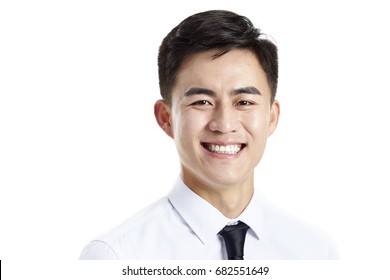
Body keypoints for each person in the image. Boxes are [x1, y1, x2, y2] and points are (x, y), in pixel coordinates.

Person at [80, 10, 338, 260]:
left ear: (272, 117)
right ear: (166, 118)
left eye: (244, 102)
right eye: (202, 102)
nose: (225, 124)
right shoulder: (118, 256)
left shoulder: (314, 253)